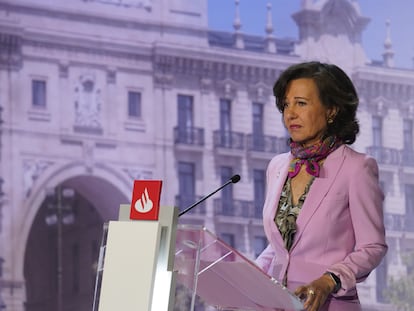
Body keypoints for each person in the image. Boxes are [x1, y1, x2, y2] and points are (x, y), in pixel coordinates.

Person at [255, 61, 387, 311]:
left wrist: (331, 279)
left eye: (301, 103)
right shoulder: (277, 166)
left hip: (329, 305)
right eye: (285, 104)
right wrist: (247, 278)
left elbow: (373, 247)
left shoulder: (357, 168)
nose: (290, 113)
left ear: (331, 111)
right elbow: (282, 248)